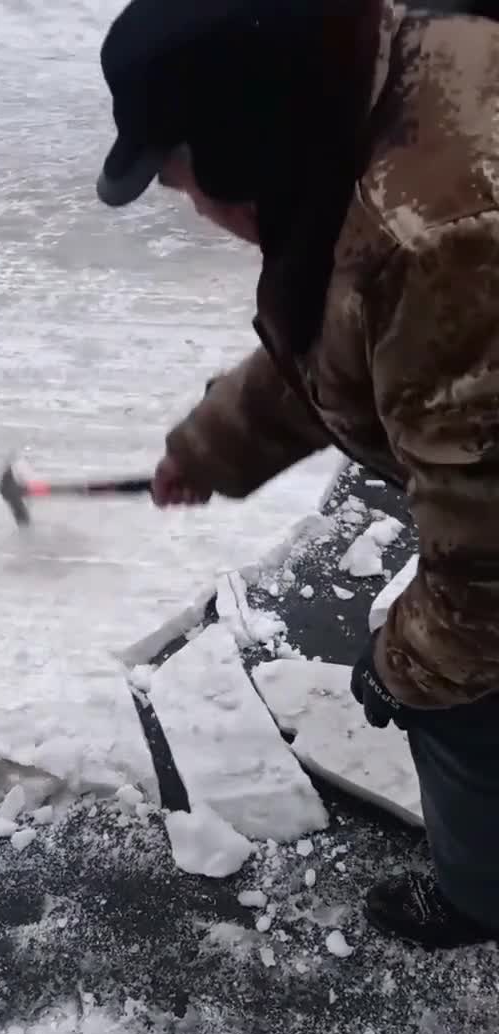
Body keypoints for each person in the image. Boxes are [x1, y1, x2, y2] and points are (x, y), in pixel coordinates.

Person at [95, 0, 499, 949]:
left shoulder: (439, 241)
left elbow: (487, 575)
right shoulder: (375, 83)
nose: (190, 208)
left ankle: (482, 897)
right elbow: (350, 326)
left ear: (247, 148)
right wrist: (211, 447)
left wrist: (406, 669)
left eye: (184, 180)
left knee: (458, 701)